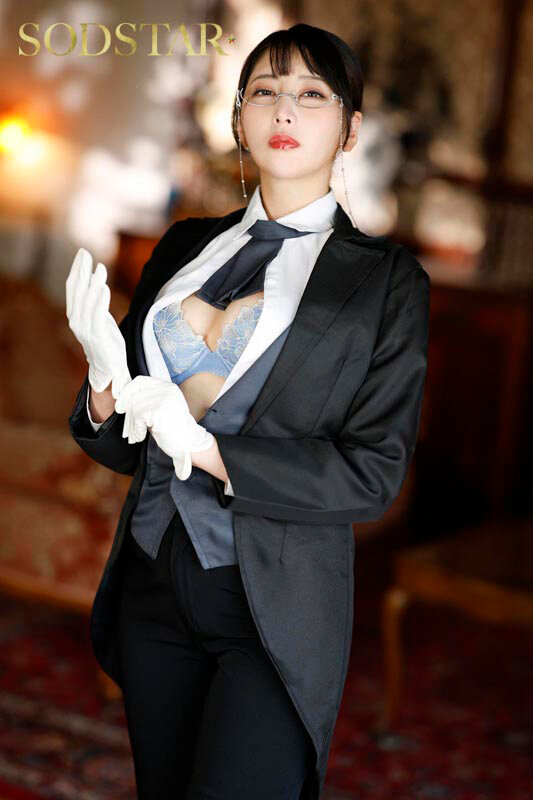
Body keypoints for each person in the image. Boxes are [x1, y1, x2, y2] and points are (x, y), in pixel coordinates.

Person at [66, 23, 430, 800]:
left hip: (272, 606)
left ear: (350, 128)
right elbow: (126, 443)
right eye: (263, 91)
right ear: (238, 119)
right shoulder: (182, 247)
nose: (283, 111)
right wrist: (102, 382)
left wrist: (205, 449)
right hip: (151, 584)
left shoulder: (384, 281)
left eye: (310, 94)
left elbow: (371, 475)